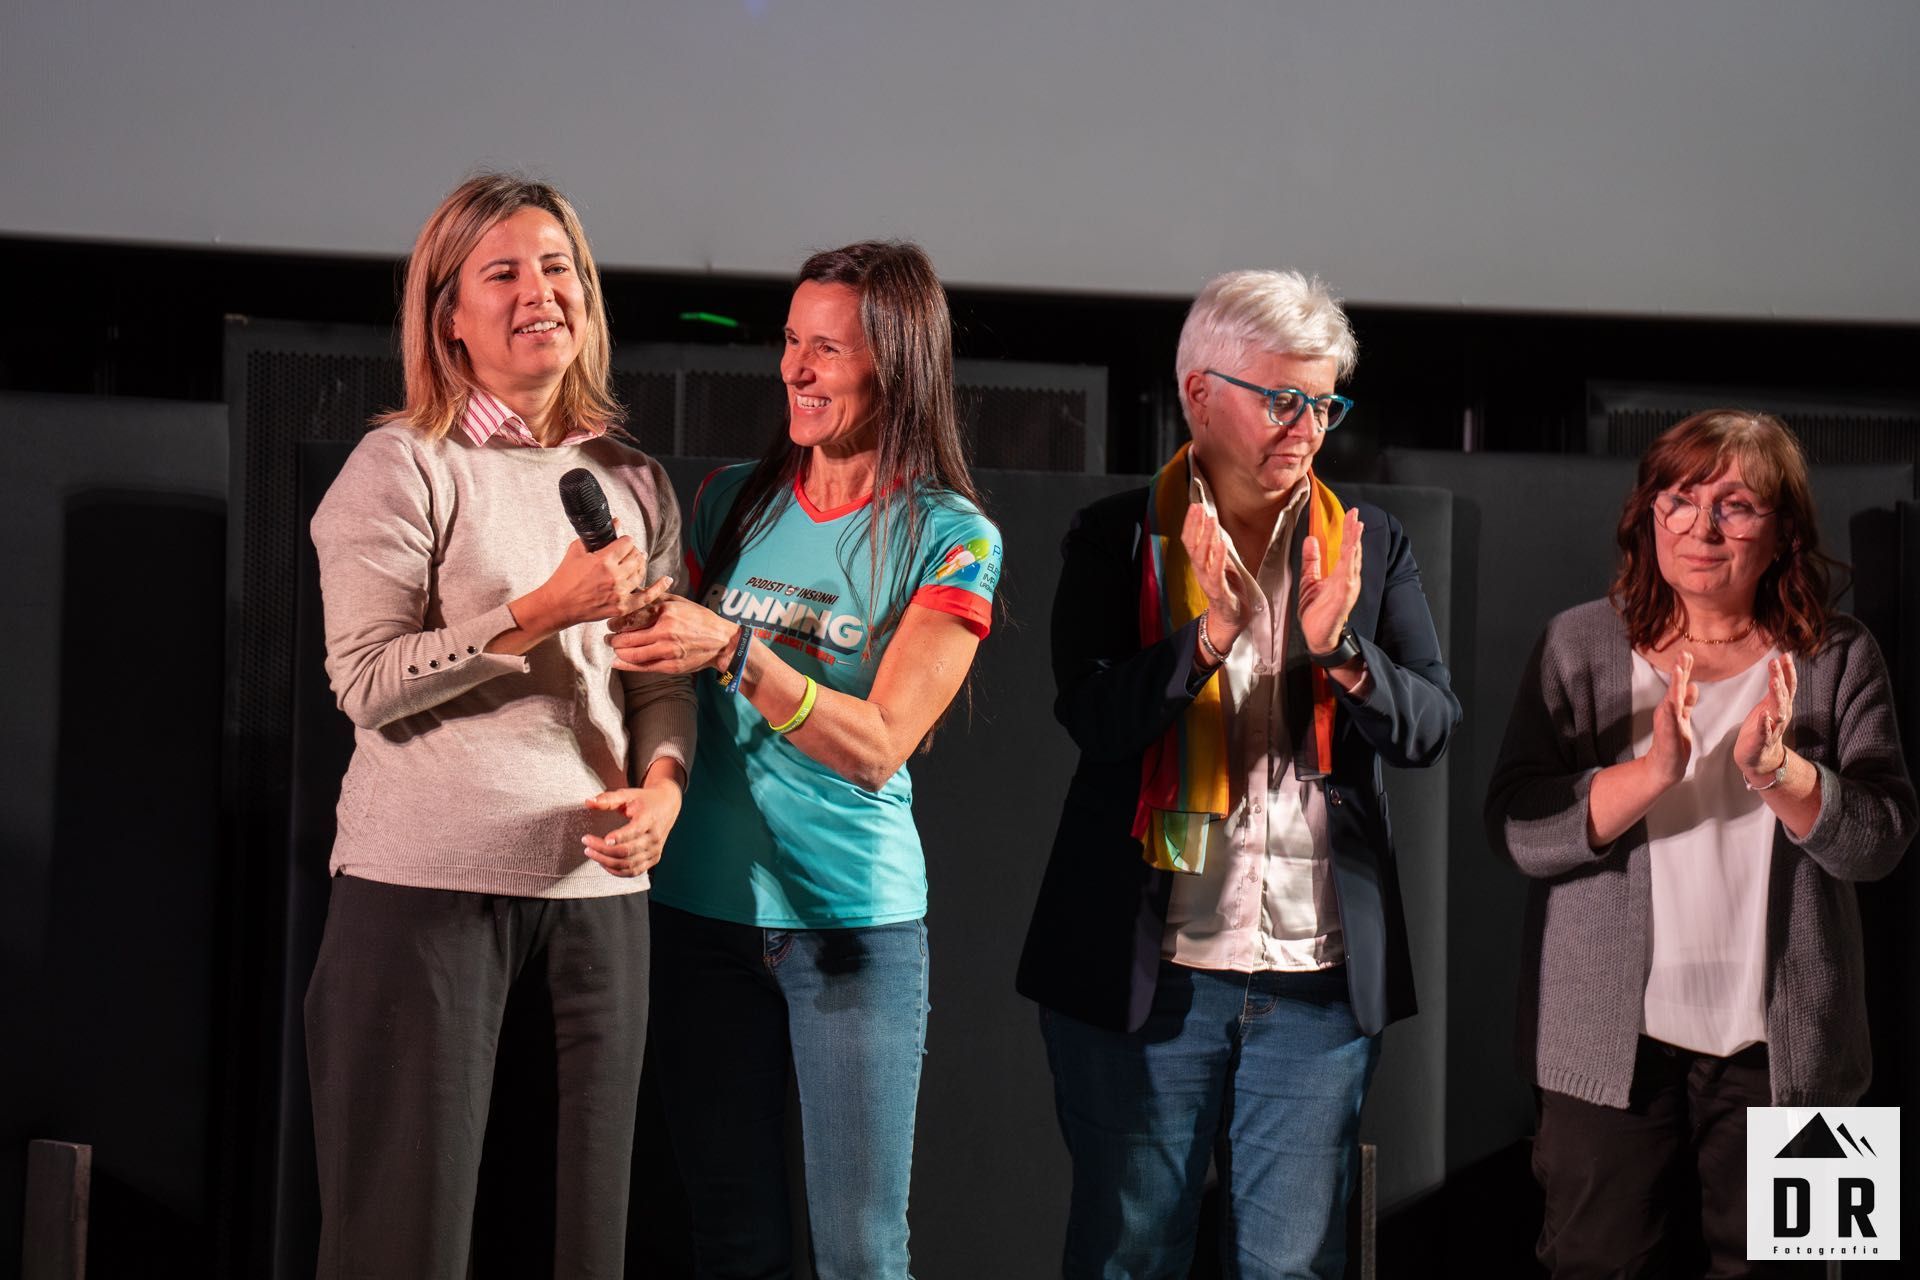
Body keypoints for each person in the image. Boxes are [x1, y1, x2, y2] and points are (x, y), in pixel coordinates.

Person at [1015, 269, 1460, 1278]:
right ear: (1199, 395)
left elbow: (1430, 724)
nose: (1306, 427)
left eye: (1324, 402)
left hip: (1312, 988)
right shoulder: (1117, 535)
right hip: (1149, 975)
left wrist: (1343, 648)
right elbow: (1094, 716)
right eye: (1282, 399)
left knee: (1290, 1267)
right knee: (1128, 1253)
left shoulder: (1370, 546)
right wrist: (1211, 633)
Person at [305, 173, 694, 1278]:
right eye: (505, 271)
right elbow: (369, 681)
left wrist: (663, 785)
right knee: (404, 1244)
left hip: (599, 908)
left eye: (559, 265)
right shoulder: (402, 466)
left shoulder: (632, 479)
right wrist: (538, 612)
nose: (542, 291)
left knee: (581, 1244)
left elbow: (662, 676)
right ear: (451, 316)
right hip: (424, 901)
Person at [608, 240, 1001, 1278]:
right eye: (791, 341)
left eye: (828, 347)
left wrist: (737, 648)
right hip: (699, 917)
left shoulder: (949, 534)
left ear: (899, 367)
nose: (796, 368)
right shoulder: (727, 500)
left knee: (861, 1252)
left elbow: (878, 746)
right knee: (729, 1238)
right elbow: (656, 684)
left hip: (849, 934)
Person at [1485, 410, 1916, 1278]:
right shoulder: (1579, 643)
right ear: (1647, 514)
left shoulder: (1841, 655)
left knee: (1811, 1271)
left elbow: (1882, 844)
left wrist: (1776, 769)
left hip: (1807, 1055)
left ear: (1785, 530)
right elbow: (1517, 833)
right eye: (1678, 500)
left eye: (1736, 505)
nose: (1700, 528)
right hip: (1601, 1053)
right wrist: (1651, 774)